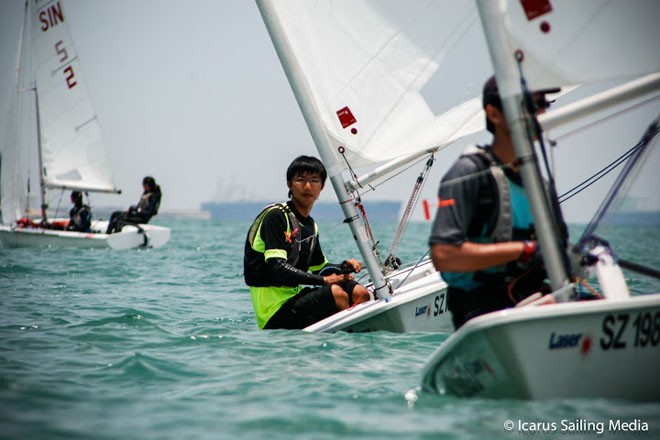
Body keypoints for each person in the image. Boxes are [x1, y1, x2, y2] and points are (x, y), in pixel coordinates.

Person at [429, 75, 562, 329]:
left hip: (536, 307)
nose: (541, 113)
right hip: (485, 317)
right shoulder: (468, 173)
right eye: (530, 105)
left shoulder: (540, 185)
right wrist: (524, 250)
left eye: (544, 104)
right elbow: (444, 256)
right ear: (494, 113)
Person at [244, 155, 371, 330]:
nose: (307, 186)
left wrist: (343, 267)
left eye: (314, 180)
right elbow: (278, 267)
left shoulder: (311, 225)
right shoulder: (276, 216)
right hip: (273, 313)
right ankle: (345, 345)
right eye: (300, 180)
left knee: (359, 292)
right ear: (289, 184)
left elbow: (319, 267)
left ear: (322, 186)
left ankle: (358, 340)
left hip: (296, 299)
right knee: (336, 293)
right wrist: (325, 280)